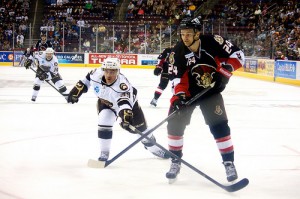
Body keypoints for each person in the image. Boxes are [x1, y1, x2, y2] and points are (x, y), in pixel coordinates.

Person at [165, 16, 245, 183]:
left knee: (220, 126)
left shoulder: (213, 41)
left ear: (197, 34)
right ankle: (175, 160)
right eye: (182, 34)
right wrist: (178, 99)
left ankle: (229, 162)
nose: (184, 37)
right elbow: (176, 79)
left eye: (188, 34)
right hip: (187, 94)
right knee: (174, 123)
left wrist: (225, 71)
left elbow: (238, 55)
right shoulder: (177, 52)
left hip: (211, 91)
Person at [67, 58, 170, 161]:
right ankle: (104, 152)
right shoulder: (96, 73)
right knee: (104, 122)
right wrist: (76, 92)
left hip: (130, 106)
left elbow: (124, 104)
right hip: (106, 103)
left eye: (112, 71)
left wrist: (126, 117)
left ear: (118, 71)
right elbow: (85, 81)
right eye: (107, 71)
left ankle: (154, 148)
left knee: (141, 131)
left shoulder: (122, 85)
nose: (109, 74)